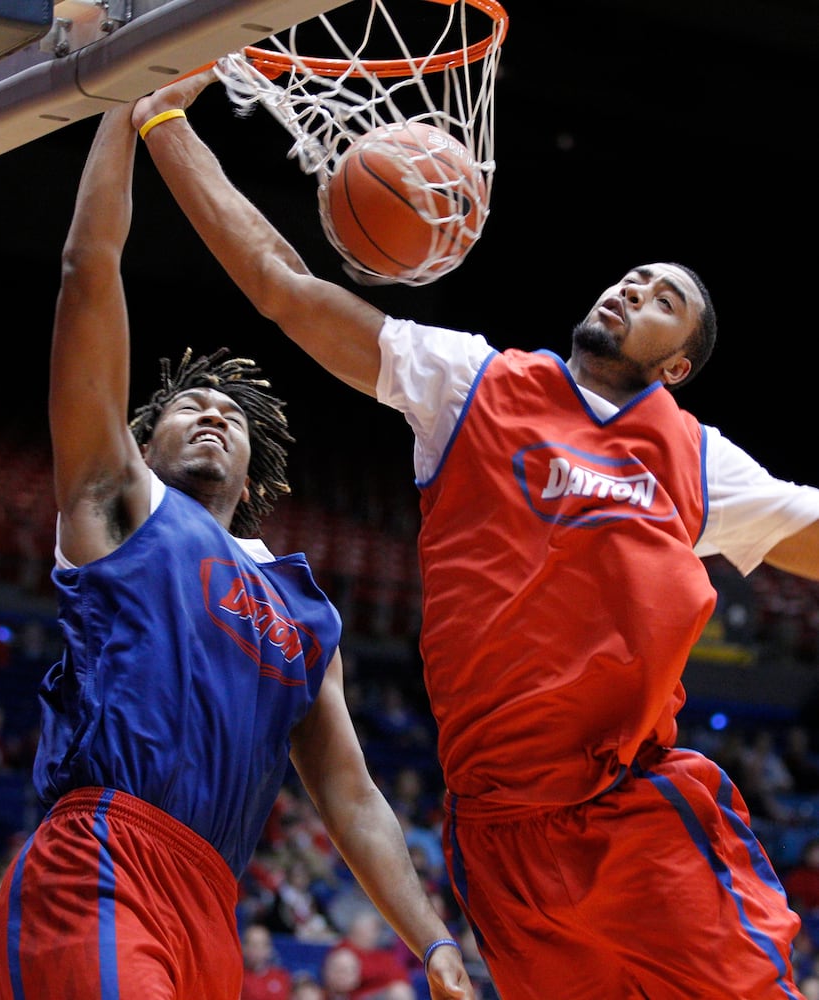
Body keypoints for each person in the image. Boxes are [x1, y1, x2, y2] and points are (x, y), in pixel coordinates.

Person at [130, 69, 819, 998]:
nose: (632, 290)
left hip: (629, 805)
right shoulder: (472, 382)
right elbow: (285, 289)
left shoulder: (696, 459)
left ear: (679, 362)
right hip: (496, 832)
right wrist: (163, 120)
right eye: (633, 277)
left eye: (661, 299)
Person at [0, 104, 473, 1000]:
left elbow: (352, 795)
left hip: (213, 903)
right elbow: (87, 271)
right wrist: (121, 102)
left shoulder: (306, 611)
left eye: (234, 416)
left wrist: (433, 942)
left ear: (257, 470)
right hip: (103, 861)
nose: (214, 412)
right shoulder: (118, 502)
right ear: (140, 437)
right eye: (187, 406)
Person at [239, 923, 292, 1000]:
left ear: (269, 948)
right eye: (252, 945)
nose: (257, 950)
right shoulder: (238, 978)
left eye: (262, 944)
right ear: (244, 948)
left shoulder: (282, 977)